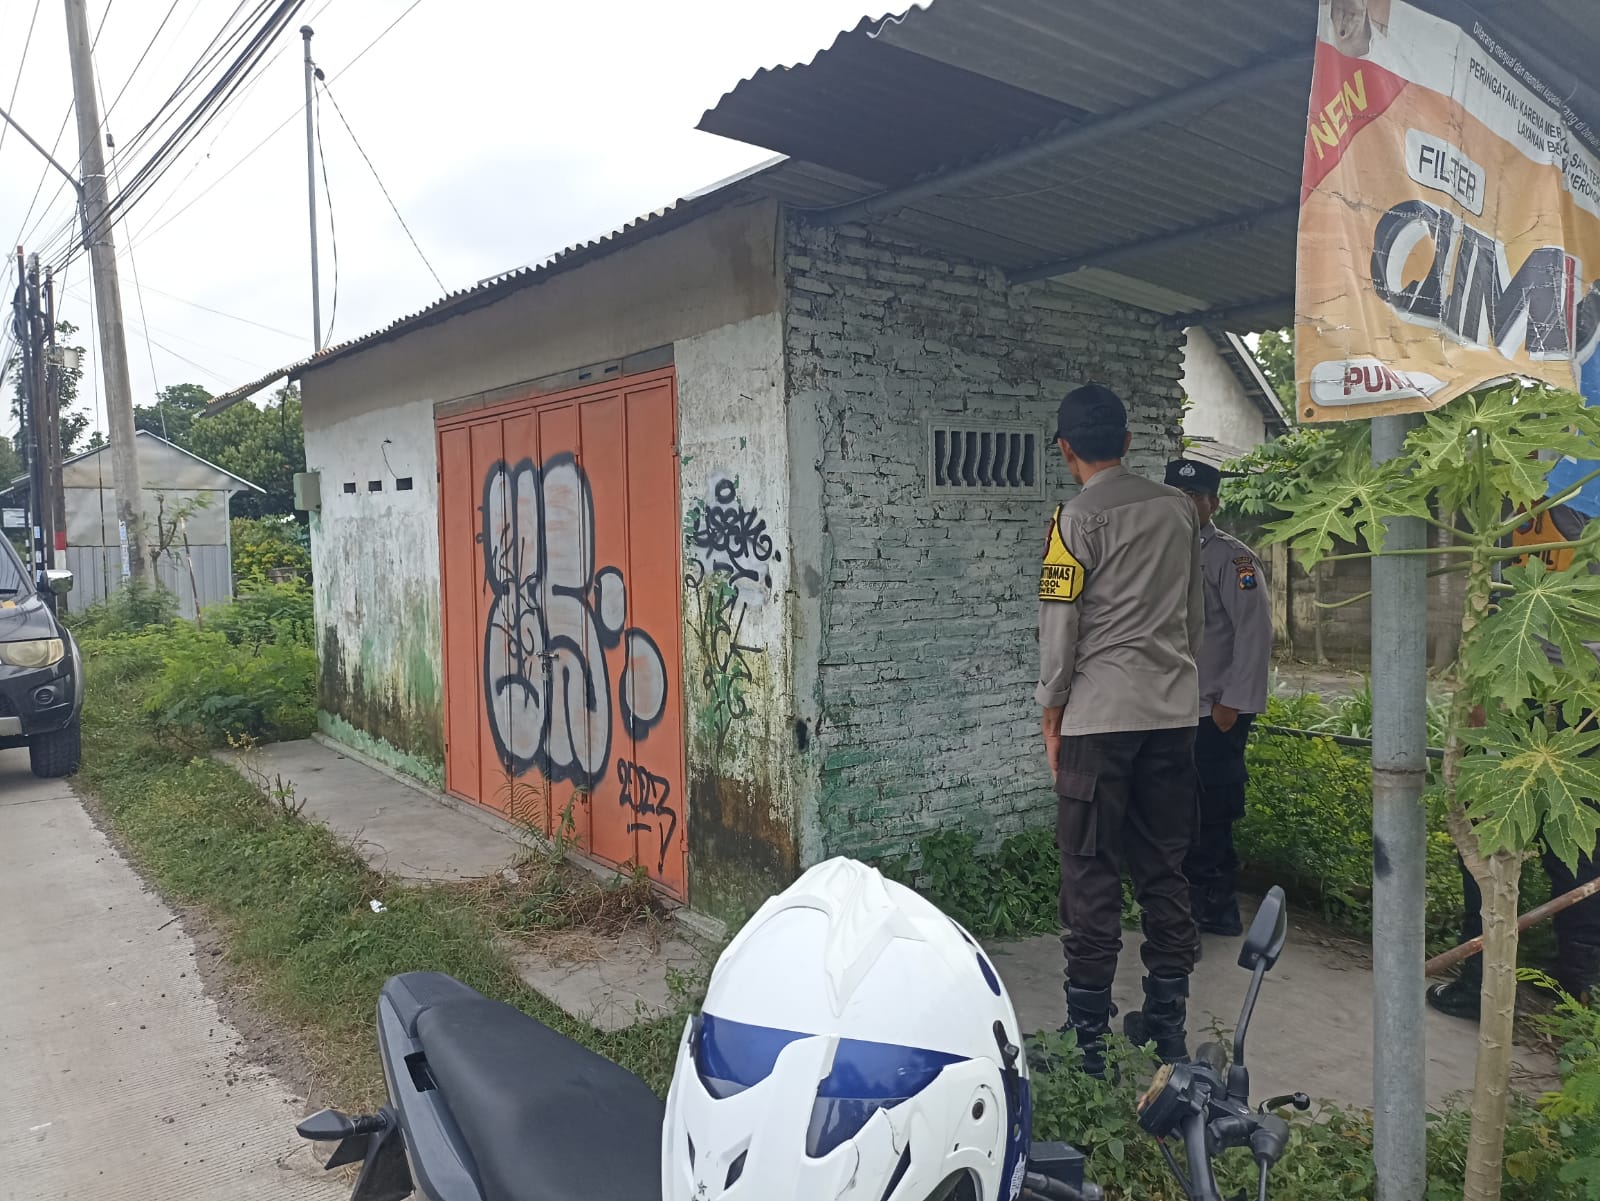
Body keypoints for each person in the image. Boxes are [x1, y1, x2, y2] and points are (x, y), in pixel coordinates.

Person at [1036, 384, 1205, 1075]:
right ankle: (1166, 1028)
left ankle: (1089, 1044)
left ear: (1065, 448)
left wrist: (1052, 711)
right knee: (1165, 867)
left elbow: (1060, 626)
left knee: (1090, 870)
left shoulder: (1073, 521)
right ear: (1130, 444)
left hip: (1097, 719)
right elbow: (1193, 613)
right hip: (1172, 715)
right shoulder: (1179, 511)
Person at [1428, 501, 1600, 1016]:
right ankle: (1577, 991)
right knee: (1570, 838)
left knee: (1503, 834)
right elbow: (1496, 600)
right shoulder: (1563, 487)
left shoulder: (1529, 494)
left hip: (1546, 688)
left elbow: (1495, 599)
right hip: (1559, 691)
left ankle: (1498, 983)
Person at [1165, 458, 1274, 937]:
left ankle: (1218, 908)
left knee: (1214, 808)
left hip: (1217, 709)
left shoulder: (1235, 559)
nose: (1186, 506)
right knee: (1176, 807)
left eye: (1195, 498)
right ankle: (1185, 903)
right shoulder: (1160, 549)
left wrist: (1234, 702)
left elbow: (1254, 633)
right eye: (1178, 497)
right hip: (1171, 707)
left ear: (1213, 502)